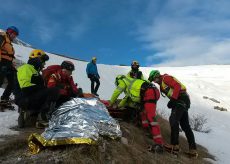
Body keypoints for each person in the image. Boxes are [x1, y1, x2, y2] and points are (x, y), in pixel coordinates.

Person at [109, 75, 164, 153]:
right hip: (150, 92)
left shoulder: (123, 81)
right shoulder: (131, 84)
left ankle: (159, 144)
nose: (118, 85)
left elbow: (117, 91)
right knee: (143, 113)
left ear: (118, 80)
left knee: (151, 118)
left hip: (149, 92)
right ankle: (146, 130)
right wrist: (118, 106)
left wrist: (110, 103)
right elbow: (126, 98)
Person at [148, 70, 197, 156]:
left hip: (180, 98)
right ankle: (193, 150)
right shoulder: (162, 83)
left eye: (154, 79)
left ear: (157, 76)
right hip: (183, 99)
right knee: (185, 126)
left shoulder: (165, 78)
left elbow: (177, 86)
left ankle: (174, 145)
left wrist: (173, 99)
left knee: (173, 119)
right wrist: (172, 100)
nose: (154, 81)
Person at [17, 49, 59, 127]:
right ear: (37, 59)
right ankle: (41, 118)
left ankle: (30, 114)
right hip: (25, 98)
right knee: (53, 91)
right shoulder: (26, 68)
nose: (44, 64)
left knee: (51, 92)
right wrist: (44, 89)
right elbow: (25, 86)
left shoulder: (35, 71)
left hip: (29, 98)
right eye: (43, 61)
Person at [0, 26, 19, 104]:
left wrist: (12, 65)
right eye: (14, 34)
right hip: (2, 63)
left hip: (8, 64)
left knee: (13, 81)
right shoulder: (2, 37)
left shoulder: (9, 43)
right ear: (9, 32)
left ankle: (5, 98)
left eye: (16, 35)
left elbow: (9, 56)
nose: (14, 36)